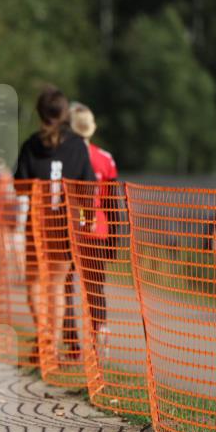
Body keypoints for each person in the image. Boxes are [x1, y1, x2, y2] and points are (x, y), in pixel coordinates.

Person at [14, 87, 94, 364]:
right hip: (65, 224)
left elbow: (20, 186)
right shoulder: (78, 146)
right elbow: (88, 187)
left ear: (39, 113)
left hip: (37, 224)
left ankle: (44, 338)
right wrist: (89, 217)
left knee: (35, 283)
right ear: (65, 114)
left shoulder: (31, 145)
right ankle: (51, 346)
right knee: (57, 286)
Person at [69, 102, 119, 356]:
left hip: (68, 228)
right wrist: (115, 240)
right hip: (97, 229)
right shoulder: (105, 159)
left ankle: (71, 341)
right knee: (96, 286)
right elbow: (112, 202)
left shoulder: (64, 157)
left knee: (65, 284)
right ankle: (102, 331)